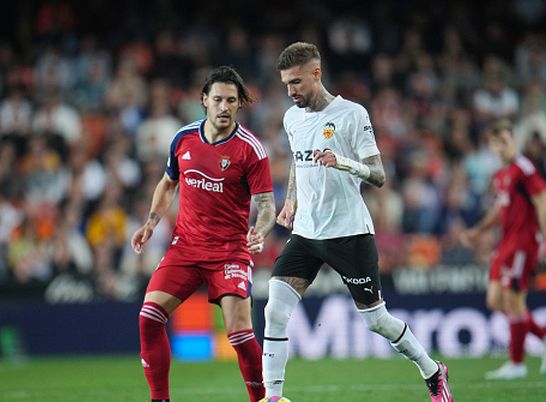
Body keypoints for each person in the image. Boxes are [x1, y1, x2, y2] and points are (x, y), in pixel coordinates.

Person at [259, 42, 453, 402]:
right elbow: (300, 165)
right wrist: (291, 202)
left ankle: (431, 370)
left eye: (297, 82)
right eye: (286, 84)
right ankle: (273, 397)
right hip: (306, 233)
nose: (291, 91)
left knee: (375, 320)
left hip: (349, 233)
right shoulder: (292, 118)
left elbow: (379, 175)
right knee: (274, 310)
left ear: (317, 74)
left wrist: (344, 162)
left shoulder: (352, 114)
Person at [131, 66, 276, 402]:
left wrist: (261, 230)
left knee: (239, 335)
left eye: (231, 100)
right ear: (204, 101)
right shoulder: (183, 138)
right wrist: (151, 222)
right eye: (218, 100)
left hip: (229, 251)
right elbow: (169, 182)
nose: (224, 107)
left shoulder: (250, 150)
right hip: (185, 247)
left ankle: (261, 400)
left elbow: (267, 204)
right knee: (148, 318)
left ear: (239, 104)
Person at [460, 119, 546, 379]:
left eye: (506, 141)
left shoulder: (524, 169)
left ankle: (516, 363)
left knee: (514, 302)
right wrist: (478, 230)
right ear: (491, 147)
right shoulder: (502, 174)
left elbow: (543, 203)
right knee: (495, 300)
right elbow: (499, 209)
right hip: (505, 243)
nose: (502, 147)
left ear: (514, 141)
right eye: (497, 143)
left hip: (523, 244)